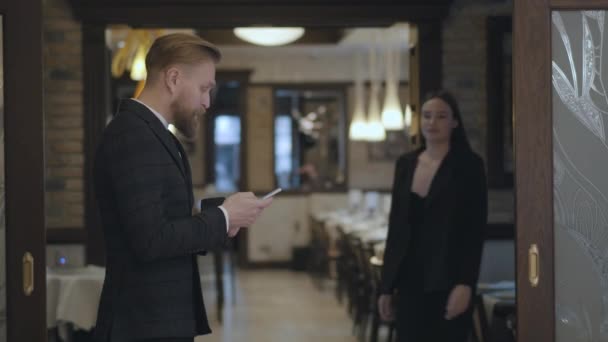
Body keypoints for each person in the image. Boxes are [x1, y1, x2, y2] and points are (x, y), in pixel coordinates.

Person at [92, 33, 272, 342]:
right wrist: (224, 217)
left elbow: (163, 219)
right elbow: (150, 239)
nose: (207, 102)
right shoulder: (133, 135)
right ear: (174, 78)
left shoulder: (155, 133)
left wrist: (224, 216)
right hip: (142, 325)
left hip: (157, 321)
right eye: (204, 88)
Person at [377, 90, 488, 341]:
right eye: (426, 116)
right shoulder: (405, 164)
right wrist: (386, 286)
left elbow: (475, 229)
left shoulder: (469, 165)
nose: (432, 122)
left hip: (448, 278)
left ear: (454, 122)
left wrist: (466, 283)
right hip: (408, 281)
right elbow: (396, 229)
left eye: (440, 116)